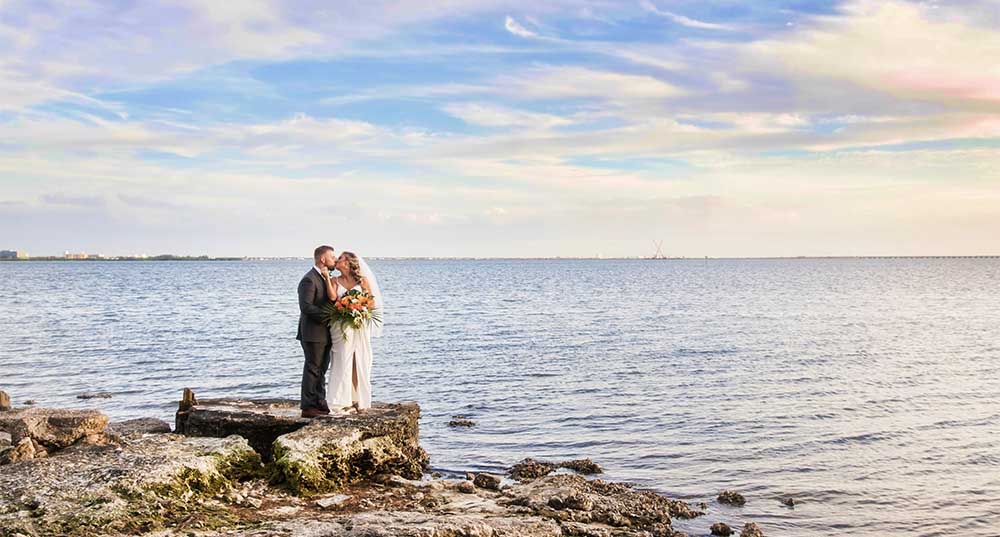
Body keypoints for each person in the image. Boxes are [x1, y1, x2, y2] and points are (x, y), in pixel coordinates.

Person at [321, 251, 383, 413]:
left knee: (360, 360)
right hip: (340, 326)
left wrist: (359, 307)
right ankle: (341, 400)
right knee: (342, 360)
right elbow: (333, 298)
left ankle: (358, 399)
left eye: (340, 258)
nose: (336, 260)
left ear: (347, 263)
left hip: (358, 325)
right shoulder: (334, 280)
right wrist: (327, 278)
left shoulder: (362, 281)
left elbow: (370, 302)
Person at [296, 245, 336, 418]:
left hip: (325, 333)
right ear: (322, 259)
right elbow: (306, 307)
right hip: (312, 333)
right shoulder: (309, 279)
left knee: (321, 369)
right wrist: (330, 316)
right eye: (332, 257)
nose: (334, 260)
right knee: (313, 368)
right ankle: (307, 406)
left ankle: (320, 401)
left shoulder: (323, 277)